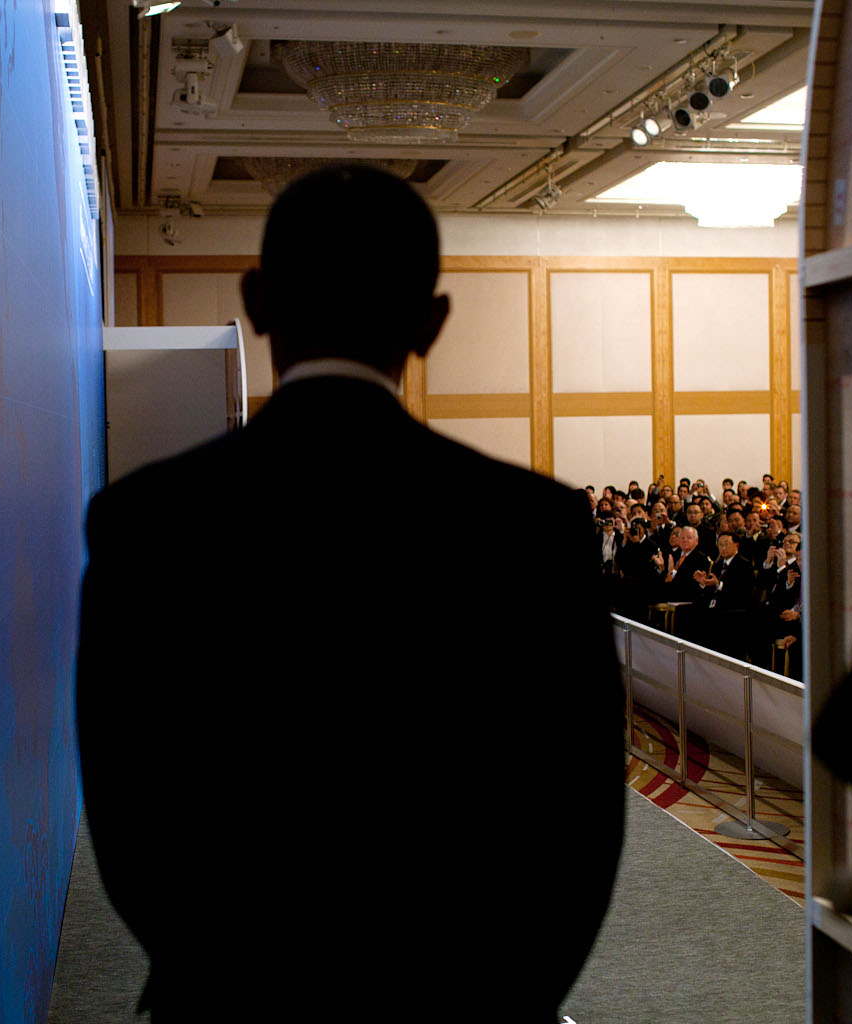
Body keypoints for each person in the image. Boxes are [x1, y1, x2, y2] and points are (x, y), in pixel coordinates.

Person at [75, 165, 626, 1023]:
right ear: (433, 323)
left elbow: (127, 805)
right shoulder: (534, 526)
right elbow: (579, 814)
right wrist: (512, 999)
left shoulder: (143, 520)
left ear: (255, 301)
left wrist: (219, 977)